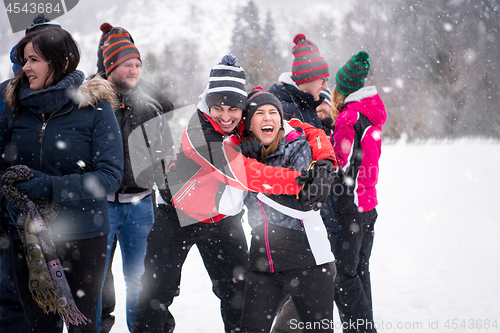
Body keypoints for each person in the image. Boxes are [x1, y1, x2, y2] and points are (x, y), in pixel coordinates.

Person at [132, 55, 337, 333]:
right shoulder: (199, 132)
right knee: (157, 293)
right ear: (209, 104)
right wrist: (302, 181)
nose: (226, 116)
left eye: (233, 109)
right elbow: (247, 174)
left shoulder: (244, 113)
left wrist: (325, 162)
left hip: (222, 220)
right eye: (218, 108)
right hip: (177, 218)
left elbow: (301, 128)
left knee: (238, 295)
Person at [0, 27, 124, 332]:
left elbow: (110, 177)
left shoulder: (95, 108)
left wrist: (50, 187)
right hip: (26, 237)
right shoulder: (15, 108)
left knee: (82, 327)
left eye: (34, 60)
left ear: (61, 61)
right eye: (23, 60)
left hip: (83, 236)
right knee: (41, 328)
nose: (25, 67)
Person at [93, 22, 175, 333]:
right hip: (100, 204)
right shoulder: (91, 102)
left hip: (142, 205)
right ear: (110, 65)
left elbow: (166, 156)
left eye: (138, 64)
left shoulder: (150, 104)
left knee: (142, 280)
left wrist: (171, 198)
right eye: (127, 64)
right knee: (96, 280)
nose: (135, 70)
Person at [238, 88, 335, 333]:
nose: (268, 117)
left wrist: (255, 177)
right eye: (260, 113)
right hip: (264, 260)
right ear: (249, 123)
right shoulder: (240, 152)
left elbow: (302, 200)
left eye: (273, 112)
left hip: (309, 260)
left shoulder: (298, 147)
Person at [0, 14, 63, 333]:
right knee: (15, 294)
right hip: (13, 214)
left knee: (59, 295)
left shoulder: (73, 96)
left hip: (59, 214)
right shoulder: (6, 95)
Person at [330, 51, 387, 333]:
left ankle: (362, 331)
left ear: (342, 89)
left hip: (347, 208)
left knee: (343, 278)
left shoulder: (348, 118)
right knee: (359, 272)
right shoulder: (370, 114)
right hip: (368, 205)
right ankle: (365, 327)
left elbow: (338, 161)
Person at [268, 33, 329, 129]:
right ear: (309, 78)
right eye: (323, 80)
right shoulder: (284, 110)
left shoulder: (306, 104)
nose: (325, 87)